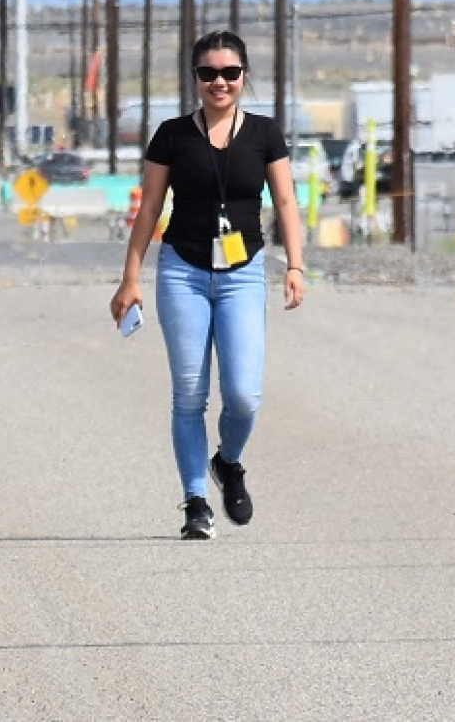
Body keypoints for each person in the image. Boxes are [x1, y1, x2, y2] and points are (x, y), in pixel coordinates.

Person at [109, 30, 305, 540]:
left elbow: (285, 203)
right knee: (189, 395)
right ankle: (195, 501)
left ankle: (229, 462)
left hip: (243, 273)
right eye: (208, 73)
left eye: (230, 73)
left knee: (243, 395)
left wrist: (296, 266)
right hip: (183, 270)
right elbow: (149, 208)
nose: (219, 82)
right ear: (195, 78)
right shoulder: (172, 135)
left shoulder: (264, 133)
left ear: (244, 77)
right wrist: (130, 279)